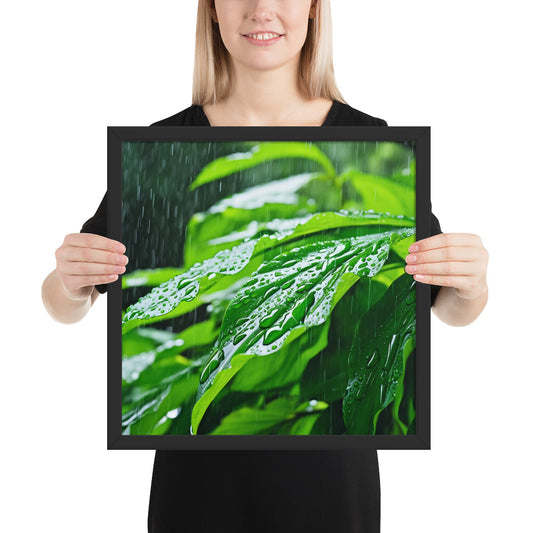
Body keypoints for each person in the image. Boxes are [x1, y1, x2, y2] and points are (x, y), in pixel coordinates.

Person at [41, 1, 489, 531]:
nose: (262, 10)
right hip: (197, 487)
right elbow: (64, 302)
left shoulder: (374, 135)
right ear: (211, 11)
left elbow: (446, 306)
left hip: (331, 486)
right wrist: (70, 284)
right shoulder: (161, 138)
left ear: (314, 10)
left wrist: (470, 283)